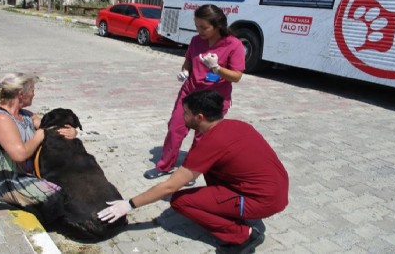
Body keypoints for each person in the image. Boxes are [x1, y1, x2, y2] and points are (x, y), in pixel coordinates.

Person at [98, 90, 289, 254]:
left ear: (200, 117)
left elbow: (170, 186)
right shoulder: (237, 125)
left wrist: (129, 205)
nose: (183, 117)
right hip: (276, 190)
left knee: (180, 201)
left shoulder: (210, 143)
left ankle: (243, 236)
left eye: (186, 113)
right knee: (212, 170)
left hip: (262, 201)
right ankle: (231, 212)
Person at [0, 72, 76, 223]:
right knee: (58, 197)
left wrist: (69, 131)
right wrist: (39, 136)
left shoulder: (25, 115)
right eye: (32, 90)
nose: (34, 94)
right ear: (21, 94)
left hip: (19, 175)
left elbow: (48, 126)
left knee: (72, 181)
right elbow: (20, 154)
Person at [144, 4, 245, 180]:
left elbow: (236, 76)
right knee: (175, 127)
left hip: (213, 99)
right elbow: (189, 61)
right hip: (190, 93)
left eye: (204, 27)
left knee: (202, 137)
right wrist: (185, 71)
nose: (199, 31)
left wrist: (216, 68)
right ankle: (165, 165)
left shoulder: (233, 45)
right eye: (197, 26)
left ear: (218, 25)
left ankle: (191, 172)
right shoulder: (196, 40)